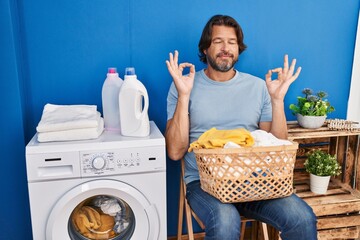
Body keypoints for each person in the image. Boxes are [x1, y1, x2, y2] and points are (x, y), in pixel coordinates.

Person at [165, 15, 317, 240]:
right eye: (218, 41)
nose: (225, 48)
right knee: (225, 222)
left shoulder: (258, 86)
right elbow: (175, 152)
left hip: (255, 181)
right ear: (205, 48)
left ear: (238, 49)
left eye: (232, 42)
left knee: (302, 217)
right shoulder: (184, 85)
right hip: (204, 183)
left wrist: (277, 101)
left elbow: (275, 145)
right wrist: (184, 96)